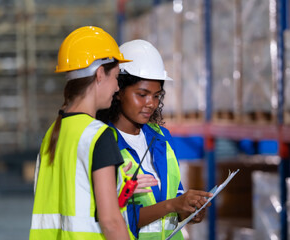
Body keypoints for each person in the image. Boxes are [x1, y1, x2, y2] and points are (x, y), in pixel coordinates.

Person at [29, 27, 156, 240]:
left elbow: (72, 198)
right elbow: (110, 222)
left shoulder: (53, 133)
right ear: (99, 74)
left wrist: (116, 185)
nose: (117, 88)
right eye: (116, 77)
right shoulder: (98, 135)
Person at [97, 39, 212, 240]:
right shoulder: (103, 142)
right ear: (118, 92)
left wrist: (189, 210)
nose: (151, 104)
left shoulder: (161, 138)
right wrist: (173, 205)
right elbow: (110, 218)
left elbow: (175, 196)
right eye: (142, 95)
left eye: (157, 95)